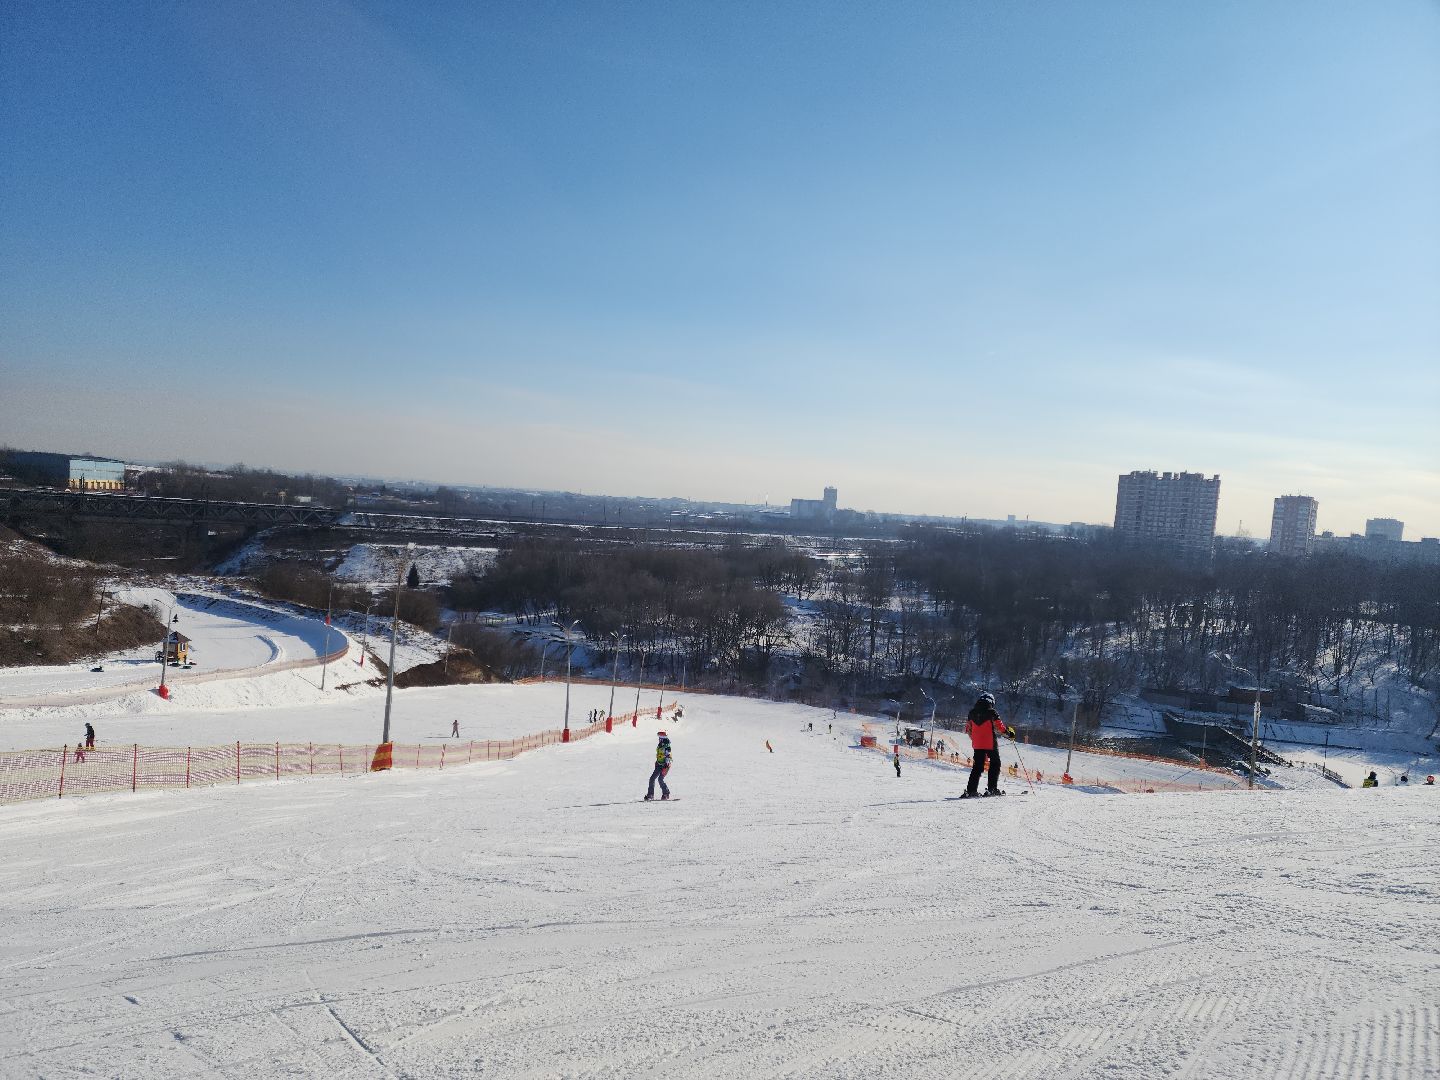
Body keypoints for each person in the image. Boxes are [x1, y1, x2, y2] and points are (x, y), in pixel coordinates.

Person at [962, 692, 1013, 798]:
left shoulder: (971, 712)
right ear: (991, 702)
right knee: (995, 764)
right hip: (990, 742)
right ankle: (992, 788)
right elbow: (1000, 728)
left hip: (977, 744)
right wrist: (1010, 734)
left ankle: (971, 790)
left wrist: (975, 738)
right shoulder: (992, 712)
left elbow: (967, 729)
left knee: (977, 767)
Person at [644, 731, 672, 800]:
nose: (659, 739)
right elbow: (659, 755)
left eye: (659, 737)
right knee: (652, 779)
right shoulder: (660, 745)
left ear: (662, 738)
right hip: (659, 765)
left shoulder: (667, 746)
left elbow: (669, 756)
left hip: (665, 766)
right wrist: (657, 762)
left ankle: (666, 794)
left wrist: (666, 764)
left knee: (660, 779)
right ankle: (650, 795)